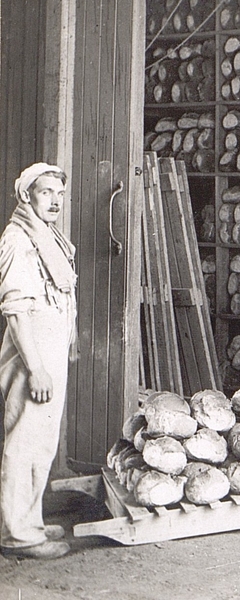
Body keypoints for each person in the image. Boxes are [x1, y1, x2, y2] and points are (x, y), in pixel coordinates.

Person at [0, 163, 78, 560]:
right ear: (26, 195)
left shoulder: (47, 236)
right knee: (25, 443)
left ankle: (24, 519)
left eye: (59, 194)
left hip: (48, 352)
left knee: (39, 442)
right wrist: (36, 368)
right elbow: (15, 309)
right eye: (45, 192)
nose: (54, 201)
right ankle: (19, 536)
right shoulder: (18, 239)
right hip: (32, 355)